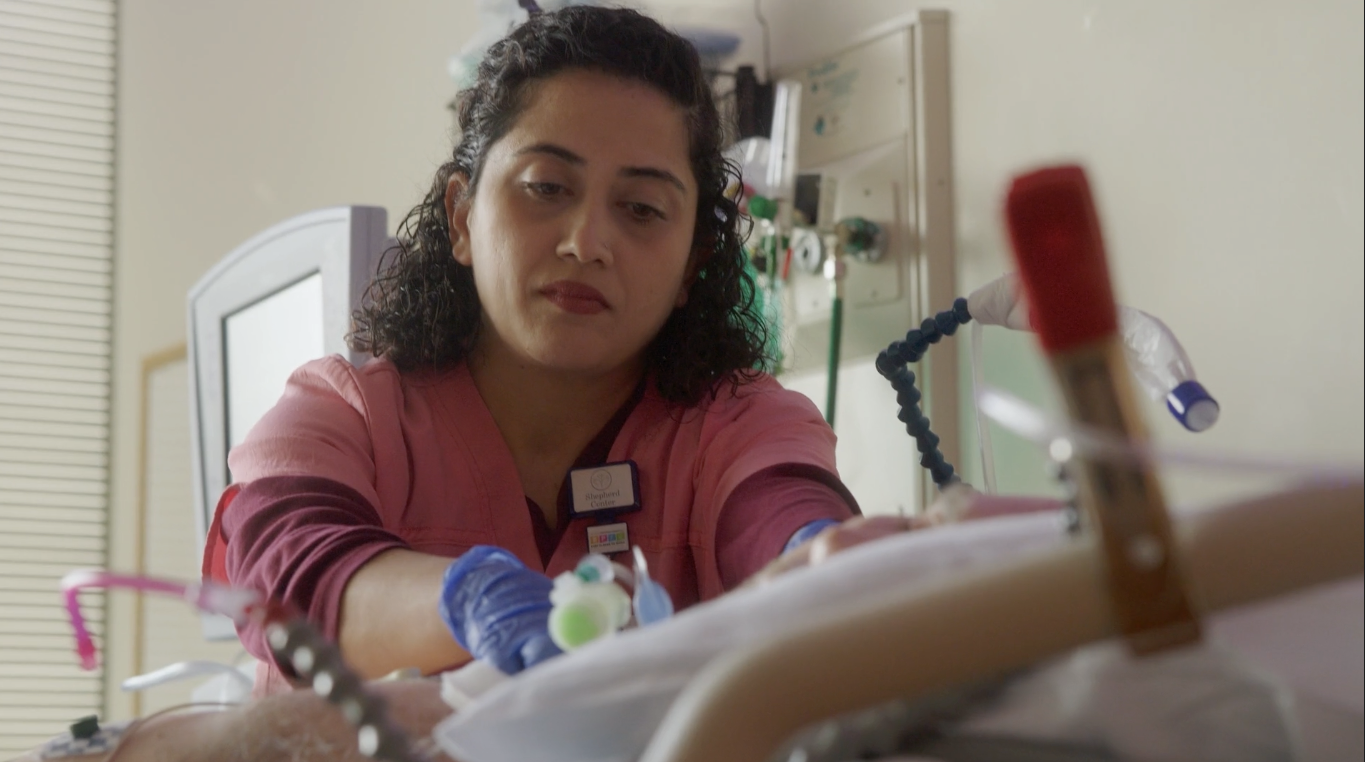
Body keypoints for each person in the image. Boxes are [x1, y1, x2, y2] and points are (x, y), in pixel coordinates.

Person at [212, 4, 860, 698]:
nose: (586, 242)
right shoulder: (344, 417)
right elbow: (289, 582)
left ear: (692, 262)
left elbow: (786, 517)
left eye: (642, 208)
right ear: (462, 216)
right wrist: (468, 600)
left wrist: (831, 559)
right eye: (546, 187)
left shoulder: (739, 427)